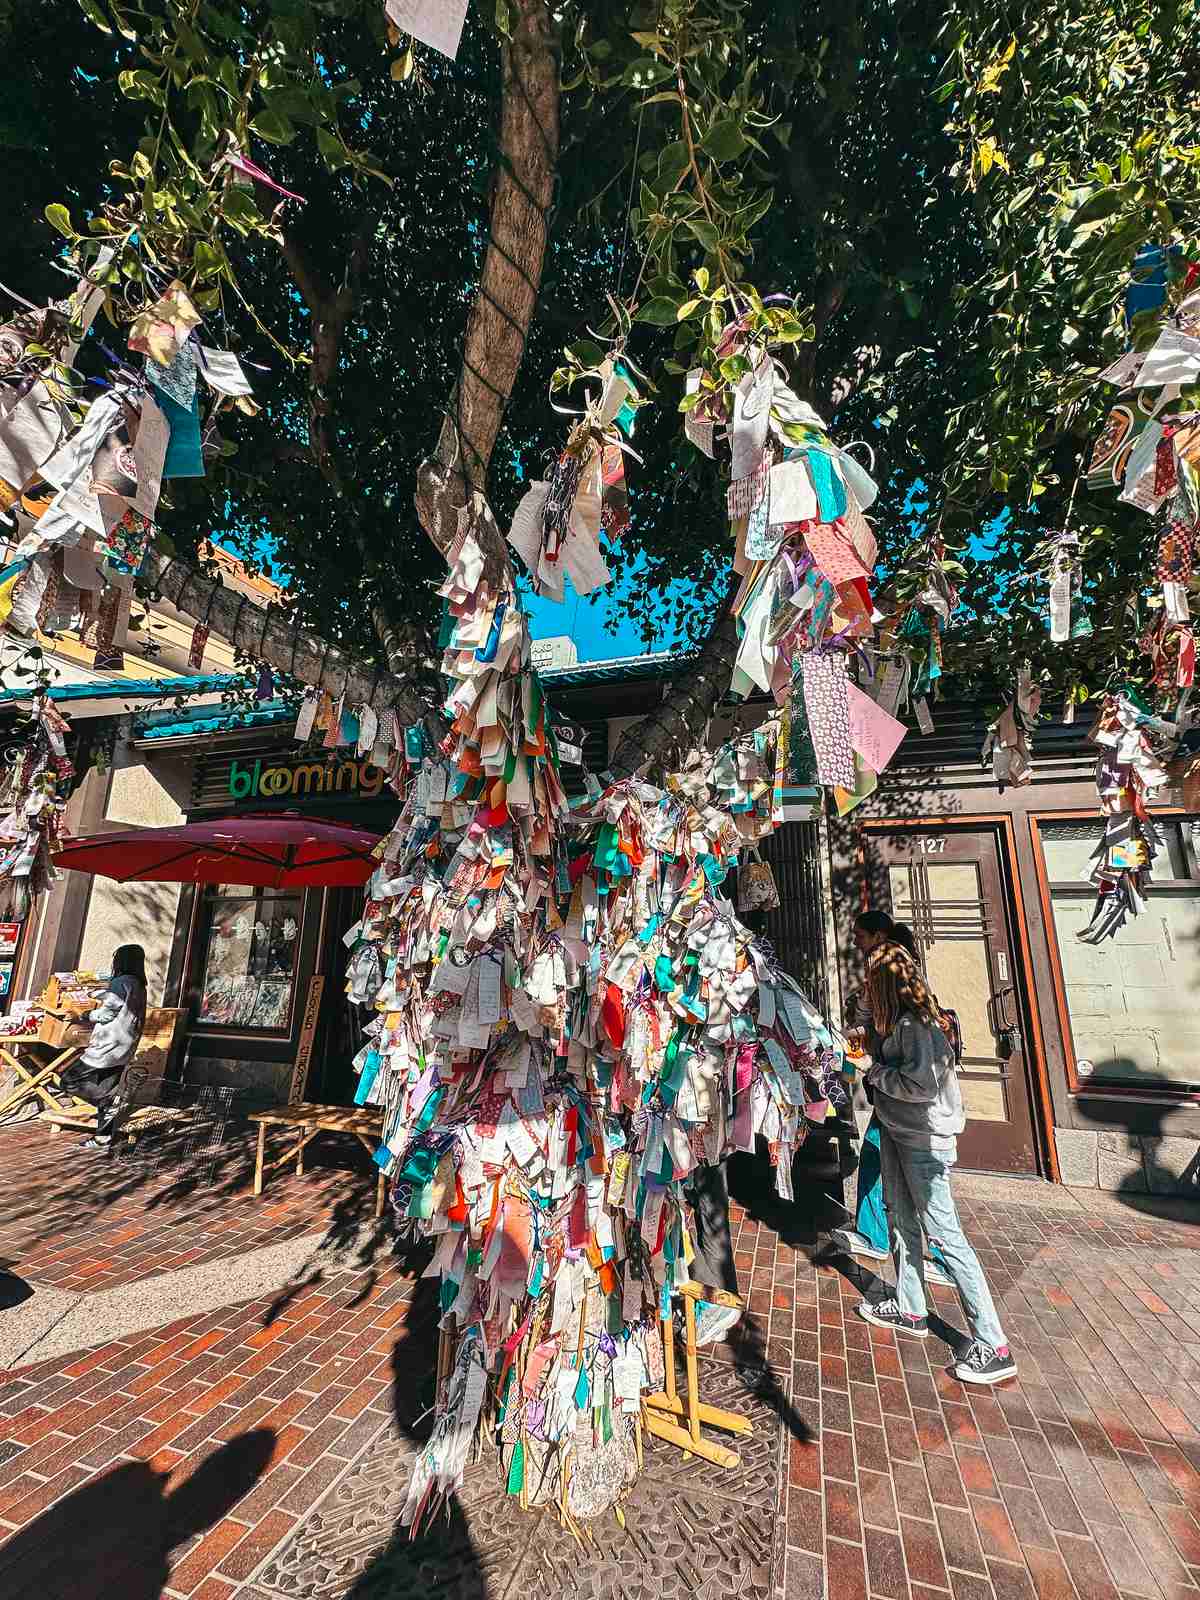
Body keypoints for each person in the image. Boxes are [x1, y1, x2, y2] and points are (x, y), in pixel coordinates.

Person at [856, 949, 1016, 1386]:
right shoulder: (897, 1021)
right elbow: (864, 1016)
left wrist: (873, 1072)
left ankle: (993, 1343)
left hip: (923, 1140)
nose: (865, 985)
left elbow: (919, 1085)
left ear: (887, 984)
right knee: (899, 1218)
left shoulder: (915, 1027)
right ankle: (911, 1307)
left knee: (945, 1236)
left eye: (871, 980)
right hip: (897, 1130)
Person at [840, 912, 952, 1284]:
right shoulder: (895, 985)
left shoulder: (903, 998)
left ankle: (940, 1255)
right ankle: (879, 1235)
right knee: (880, 1160)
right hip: (896, 1100)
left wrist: (872, 1069)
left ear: (879, 935)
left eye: (859, 935)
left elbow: (919, 1081)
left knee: (924, 1191)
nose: (855, 942)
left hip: (909, 1107)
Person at [61, 944, 148, 1153]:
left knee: (68, 1080)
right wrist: (100, 994)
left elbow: (106, 1014)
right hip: (124, 1047)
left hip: (107, 1046)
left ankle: (107, 1102)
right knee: (105, 1086)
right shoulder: (139, 984)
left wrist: (82, 1016)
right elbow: (119, 1006)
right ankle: (103, 1138)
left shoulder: (120, 982)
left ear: (121, 961)